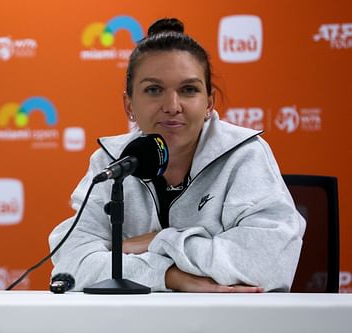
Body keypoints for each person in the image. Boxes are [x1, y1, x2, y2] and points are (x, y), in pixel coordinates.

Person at [49, 18, 306, 292]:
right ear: (129, 105)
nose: (172, 106)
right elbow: (70, 265)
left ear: (208, 102)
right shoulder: (113, 162)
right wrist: (168, 275)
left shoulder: (244, 155)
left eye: (188, 90)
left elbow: (268, 262)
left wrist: (159, 240)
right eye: (154, 90)